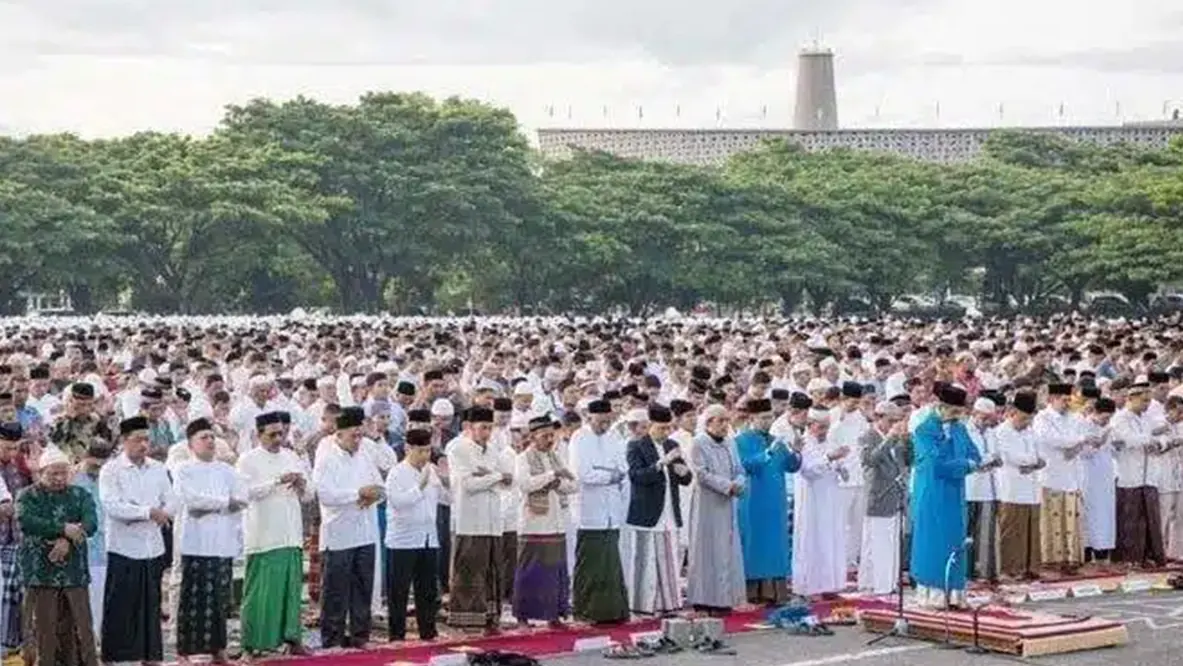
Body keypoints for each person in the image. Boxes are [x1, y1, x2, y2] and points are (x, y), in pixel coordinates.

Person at [98, 415, 175, 665]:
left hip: (152, 546)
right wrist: (147, 512)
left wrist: (153, 512)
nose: (143, 445)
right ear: (123, 441)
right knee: (121, 605)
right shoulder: (111, 469)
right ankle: (116, 657)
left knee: (150, 606)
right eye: (138, 440)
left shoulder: (158, 468)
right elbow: (112, 506)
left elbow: (172, 501)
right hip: (123, 548)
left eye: (146, 439)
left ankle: (149, 656)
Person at [237, 411, 312, 657]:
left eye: (281, 433)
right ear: (259, 435)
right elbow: (245, 493)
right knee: (260, 594)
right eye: (272, 434)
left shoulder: (291, 456)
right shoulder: (248, 460)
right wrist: (277, 481)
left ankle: (292, 639)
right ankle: (251, 644)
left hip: (290, 533)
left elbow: (309, 495)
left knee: (291, 593)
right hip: (264, 536)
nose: (278, 439)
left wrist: (301, 485)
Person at [172, 418, 247, 664]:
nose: (210, 441)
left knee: (219, 601)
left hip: (222, 542)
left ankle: (219, 650)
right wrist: (223, 503)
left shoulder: (227, 470)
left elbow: (242, 498)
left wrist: (216, 505)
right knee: (192, 598)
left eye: (212, 437)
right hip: (195, 543)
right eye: (203, 437)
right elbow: (192, 503)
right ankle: (184, 652)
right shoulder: (183, 469)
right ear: (191, 444)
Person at [17, 445, 99, 666]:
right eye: (53, 473)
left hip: (74, 572)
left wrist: (66, 540)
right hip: (41, 572)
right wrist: (63, 528)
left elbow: (91, 523)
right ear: (41, 473)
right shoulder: (28, 496)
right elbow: (28, 522)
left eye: (63, 472)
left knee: (81, 626)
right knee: (45, 629)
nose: (59, 478)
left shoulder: (80, 494)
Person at [313, 406, 383, 648]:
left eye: (360, 435)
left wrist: (373, 495)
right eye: (353, 436)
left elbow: (380, 485)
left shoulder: (364, 453)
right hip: (338, 534)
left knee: (362, 588)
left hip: (364, 532)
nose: (358, 440)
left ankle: (360, 636)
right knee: (335, 592)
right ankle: (331, 640)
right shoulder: (327, 456)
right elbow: (324, 494)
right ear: (339, 434)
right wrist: (357, 494)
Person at [909, 384, 981, 608]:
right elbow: (935, 464)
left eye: (959, 412)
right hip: (931, 493)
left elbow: (975, 455)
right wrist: (965, 464)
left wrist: (967, 464)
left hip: (955, 493)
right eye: (953, 412)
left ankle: (955, 593)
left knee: (954, 540)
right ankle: (933, 593)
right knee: (933, 542)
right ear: (941, 407)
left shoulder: (959, 428)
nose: (957, 416)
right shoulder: (924, 430)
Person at [624, 405, 691, 615]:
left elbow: (686, 479)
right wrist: (662, 463)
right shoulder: (636, 446)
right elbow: (637, 476)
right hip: (647, 510)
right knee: (646, 560)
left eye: (668, 428)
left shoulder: (672, 444)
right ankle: (642, 606)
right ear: (649, 425)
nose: (666, 433)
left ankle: (669, 604)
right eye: (661, 428)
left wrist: (684, 471)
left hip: (670, 509)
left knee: (669, 559)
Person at [568, 399, 630, 625]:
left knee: (612, 562)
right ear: (589, 417)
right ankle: (587, 610)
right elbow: (583, 473)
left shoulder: (614, 437)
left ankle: (612, 611)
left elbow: (623, 467)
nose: (605, 425)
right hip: (588, 511)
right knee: (590, 563)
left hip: (612, 509)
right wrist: (609, 475)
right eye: (601, 421)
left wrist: (608, 473)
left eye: (608, 421)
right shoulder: (579, 438)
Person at [512, 415, 577, 626]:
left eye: (552, 435)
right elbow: (525, 484)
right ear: (533, 437)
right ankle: (523, 617)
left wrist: (556, 481)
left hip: (555, 521)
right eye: (545, 436)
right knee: (530, 571)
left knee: (554, 572)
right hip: (533, 523)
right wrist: (552, 476)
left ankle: (553, 615)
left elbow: (573, 485)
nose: (550, 440)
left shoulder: (556, 457)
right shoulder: (523, 458)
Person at [734, 398, 799, 604]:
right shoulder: (741, 440)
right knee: (755, 543)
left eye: (769, 417)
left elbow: (791, 466)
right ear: (752, 418)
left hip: (775, 498)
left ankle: (775, 592)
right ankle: (753, 592)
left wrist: (796, 451)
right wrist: (767, 453)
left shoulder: (775, 439)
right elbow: (745, 465)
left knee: (775, 543)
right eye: (763, 417)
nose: (767, 421)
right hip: (753, 499)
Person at [447, 406, 506, 634]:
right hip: (470, 521)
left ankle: (491, 620)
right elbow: (468, 484)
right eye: (483, 428)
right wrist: (495, 477)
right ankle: (466, 622)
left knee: (492, 573)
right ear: (470, 427)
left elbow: (507, 479)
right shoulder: (458, 449)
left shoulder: (493, 450)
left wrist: (488, 477)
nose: (487, 432)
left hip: (492, 520)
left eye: (490, 428)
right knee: (469, 572)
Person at [685, 405, 746, 614]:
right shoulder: (698, 443)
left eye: (726, 421)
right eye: (720, 421)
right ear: (709, 422)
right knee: (706, 550)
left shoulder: (730, 443)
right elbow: (701, 474)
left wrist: (738, 483)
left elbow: (739, 469)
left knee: (725, 550)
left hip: (727, 504)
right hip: (707, 505)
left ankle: (724, 598)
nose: (724, 425)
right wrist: (727, 486)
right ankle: (704, 598)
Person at [384, 428, 441, 641]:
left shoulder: (431, 470)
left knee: (426, 590)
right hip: (403, 540)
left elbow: (445, 498)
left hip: (428, 538)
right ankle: (397, 636)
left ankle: (428, 632)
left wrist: (445, 479)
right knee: (398, 592)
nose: (425, 456)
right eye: (420, 451)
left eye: (428, 451)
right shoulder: (397, 472)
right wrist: (419, 486)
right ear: (408, 449)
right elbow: (398, 503)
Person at [857, 402, 910, 594]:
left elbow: (908, 461)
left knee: (891, 543)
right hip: (879, 494)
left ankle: (886, 582)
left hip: (896, 495)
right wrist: (888, 439)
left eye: (898, 420)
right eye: (891, 420)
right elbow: (869, 460)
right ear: (879, 418)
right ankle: (879, 584)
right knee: (878, 544)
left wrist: (907, 440)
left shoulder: (897, 438)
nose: (894, 424)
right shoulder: (867, 436)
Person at [995, 391, 1045, 581]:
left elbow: (1041, 456)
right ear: (1013, 412)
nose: (1026, 423)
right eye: (1023, 418)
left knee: (1031, 529)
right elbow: (1010, 456)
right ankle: (1010, 569)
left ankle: (1029, 568)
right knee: (1012, 529)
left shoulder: (1031, 431)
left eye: (1029, 419)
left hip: (1032, 487)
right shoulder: (1002, 431)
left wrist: (1034, 462)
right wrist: (1032, 461)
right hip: (1012, 488)